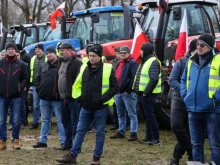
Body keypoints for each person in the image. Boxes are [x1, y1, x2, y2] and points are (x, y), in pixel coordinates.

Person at [56, 44, 119, 165]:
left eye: (94, 56)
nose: (91, 58)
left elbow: (115, 87)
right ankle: (72, 155)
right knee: (80, 131)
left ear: (100, 56)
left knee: (100, 132)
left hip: (100, 107)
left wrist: (102, 99)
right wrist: (80, 98)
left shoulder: (108, 68)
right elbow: (77, 84)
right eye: (90, 56)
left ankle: (96, 158)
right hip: (85, 107)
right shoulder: (84, 67)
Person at [180, 34, 220, 165]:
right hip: (193, 109)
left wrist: (215, 98)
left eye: (202, 45)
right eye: (197, 44)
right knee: (196, 143)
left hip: (212, 109)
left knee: (215, 144)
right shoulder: (191, 61)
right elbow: (183, 79)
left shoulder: (218, 60)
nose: (199, 47)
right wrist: (185, 95)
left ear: (209, 46)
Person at [169, 39, 197, 165]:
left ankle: (176, 157)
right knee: (176, 126)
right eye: (197, 48)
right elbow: (172, 80)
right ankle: (191, 150)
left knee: (187, 130)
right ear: (191, 50)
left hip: (194, 101)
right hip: (180, 99)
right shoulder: (181, 62)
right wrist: (184, 90)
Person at [32, 45, 65, 148]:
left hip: (57, 99)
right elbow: (37, 79)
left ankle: (63, 141)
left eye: (50, 52)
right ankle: (43, 141)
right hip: (44, 98)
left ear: (55, 53)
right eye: (47, 53)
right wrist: (39, 90)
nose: (48, 55)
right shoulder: (44, 66)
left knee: (60, 121)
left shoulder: (61, 65)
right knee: (45, 120)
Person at [0, 42, 29, 150]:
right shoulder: (1, 63)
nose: (11, 50)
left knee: (16, 120)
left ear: (15, 50)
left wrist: (20, 88)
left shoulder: (21, 64)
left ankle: (15, 140)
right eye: (9, 49)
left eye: (12, 49)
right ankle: (2, 140)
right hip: (2, 96)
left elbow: (25, 78)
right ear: (6, 50)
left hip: (16, 97)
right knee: (1, 120)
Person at [54, 42, 82, 150]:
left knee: (75, 122)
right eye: (60, 50)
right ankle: (67, 143)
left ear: (70, 51)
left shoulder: (77, 63)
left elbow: (79, 81)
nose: (61, 52)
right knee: (65, 122)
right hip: (62, 98)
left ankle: (76, 145)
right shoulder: (60, 62)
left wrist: (74, 96)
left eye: (63, 50)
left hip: (73, 98)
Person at [133, 43, 161, 145]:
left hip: (148, 95)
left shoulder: (153, 61)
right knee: (146, 117)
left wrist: (145, 93)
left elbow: (154, 79)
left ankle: (156, 138)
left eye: (141, 49)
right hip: (141, 94)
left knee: (150, 117)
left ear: (147, 50)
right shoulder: (144, 61)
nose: (140, 51)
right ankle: (148, 137)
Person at [110, 45, 139, 141]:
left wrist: (128, 90)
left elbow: (133, 77)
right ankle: (121, 131)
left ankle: (133, 133)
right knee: (120, 113)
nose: (122, 54)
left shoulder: (133, 63)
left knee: (131, 113)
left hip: (127, 93)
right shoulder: (119, 63)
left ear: (128, 53)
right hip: (118, 93)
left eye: (124, 53)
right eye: (121, 53)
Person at [29, 43, 47, 129]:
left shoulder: (46, 58)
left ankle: (46, 122)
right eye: (36, 49)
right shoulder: (33, 59)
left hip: (44, 85)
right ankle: (35, 122)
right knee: (35, 104)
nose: (37, 51)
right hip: (35, 85)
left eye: (38, 49)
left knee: (44, 105)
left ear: (42, 50)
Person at [16, 44, 31, 126]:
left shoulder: (24, 64)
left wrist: (25, 86)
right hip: (14, 87)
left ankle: (23, 120)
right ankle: (16, 121)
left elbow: (27, 76)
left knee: (23, 104)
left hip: (23, 87)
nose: (17, 56)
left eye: (18, 55)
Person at [109, 46, 121, 130]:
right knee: (115, 106)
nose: (119, 55)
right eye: (117, 53)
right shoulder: (111, 63)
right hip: (113, 87)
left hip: (121, 87)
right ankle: (116, 123)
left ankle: (125, 124)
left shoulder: (124, 62)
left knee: (122, 108)